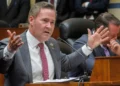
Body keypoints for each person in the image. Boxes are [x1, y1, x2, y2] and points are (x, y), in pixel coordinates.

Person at [0, 2, 109, 86]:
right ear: (31, 20)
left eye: (52, 22)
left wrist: (88, 47)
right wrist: (10, 50)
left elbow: (66, 63)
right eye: (45, 21)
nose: (49, 26)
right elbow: (2, 66)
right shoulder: (13, 44)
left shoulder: (52, 43)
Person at [68, 12, 120, 77]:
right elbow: (94, 68)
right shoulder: (81, 44)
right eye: (112, 36)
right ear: (100, 30)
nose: (115, 38)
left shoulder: (116, 43)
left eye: (117, 35)